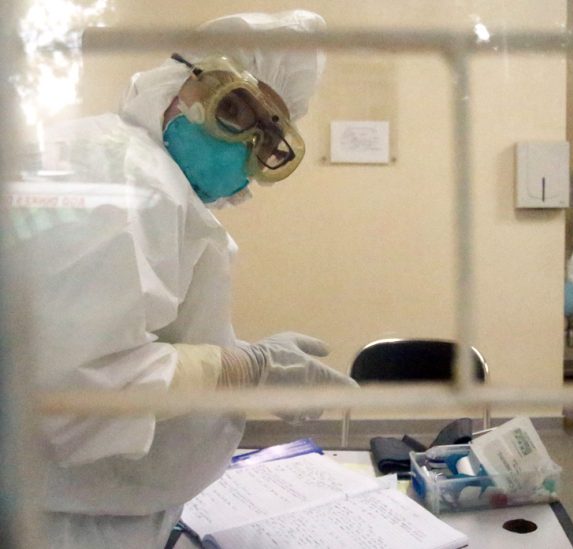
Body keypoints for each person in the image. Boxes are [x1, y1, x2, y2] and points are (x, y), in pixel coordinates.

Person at [8, 10, 355, 548]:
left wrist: (240, 359)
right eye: (233, 109)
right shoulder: (130, 178)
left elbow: (110, 340)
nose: (243, 142)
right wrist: (248, 369)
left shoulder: (133, 171)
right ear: (177, 82)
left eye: (267, 137)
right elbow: (77, 394)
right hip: (65, 526)